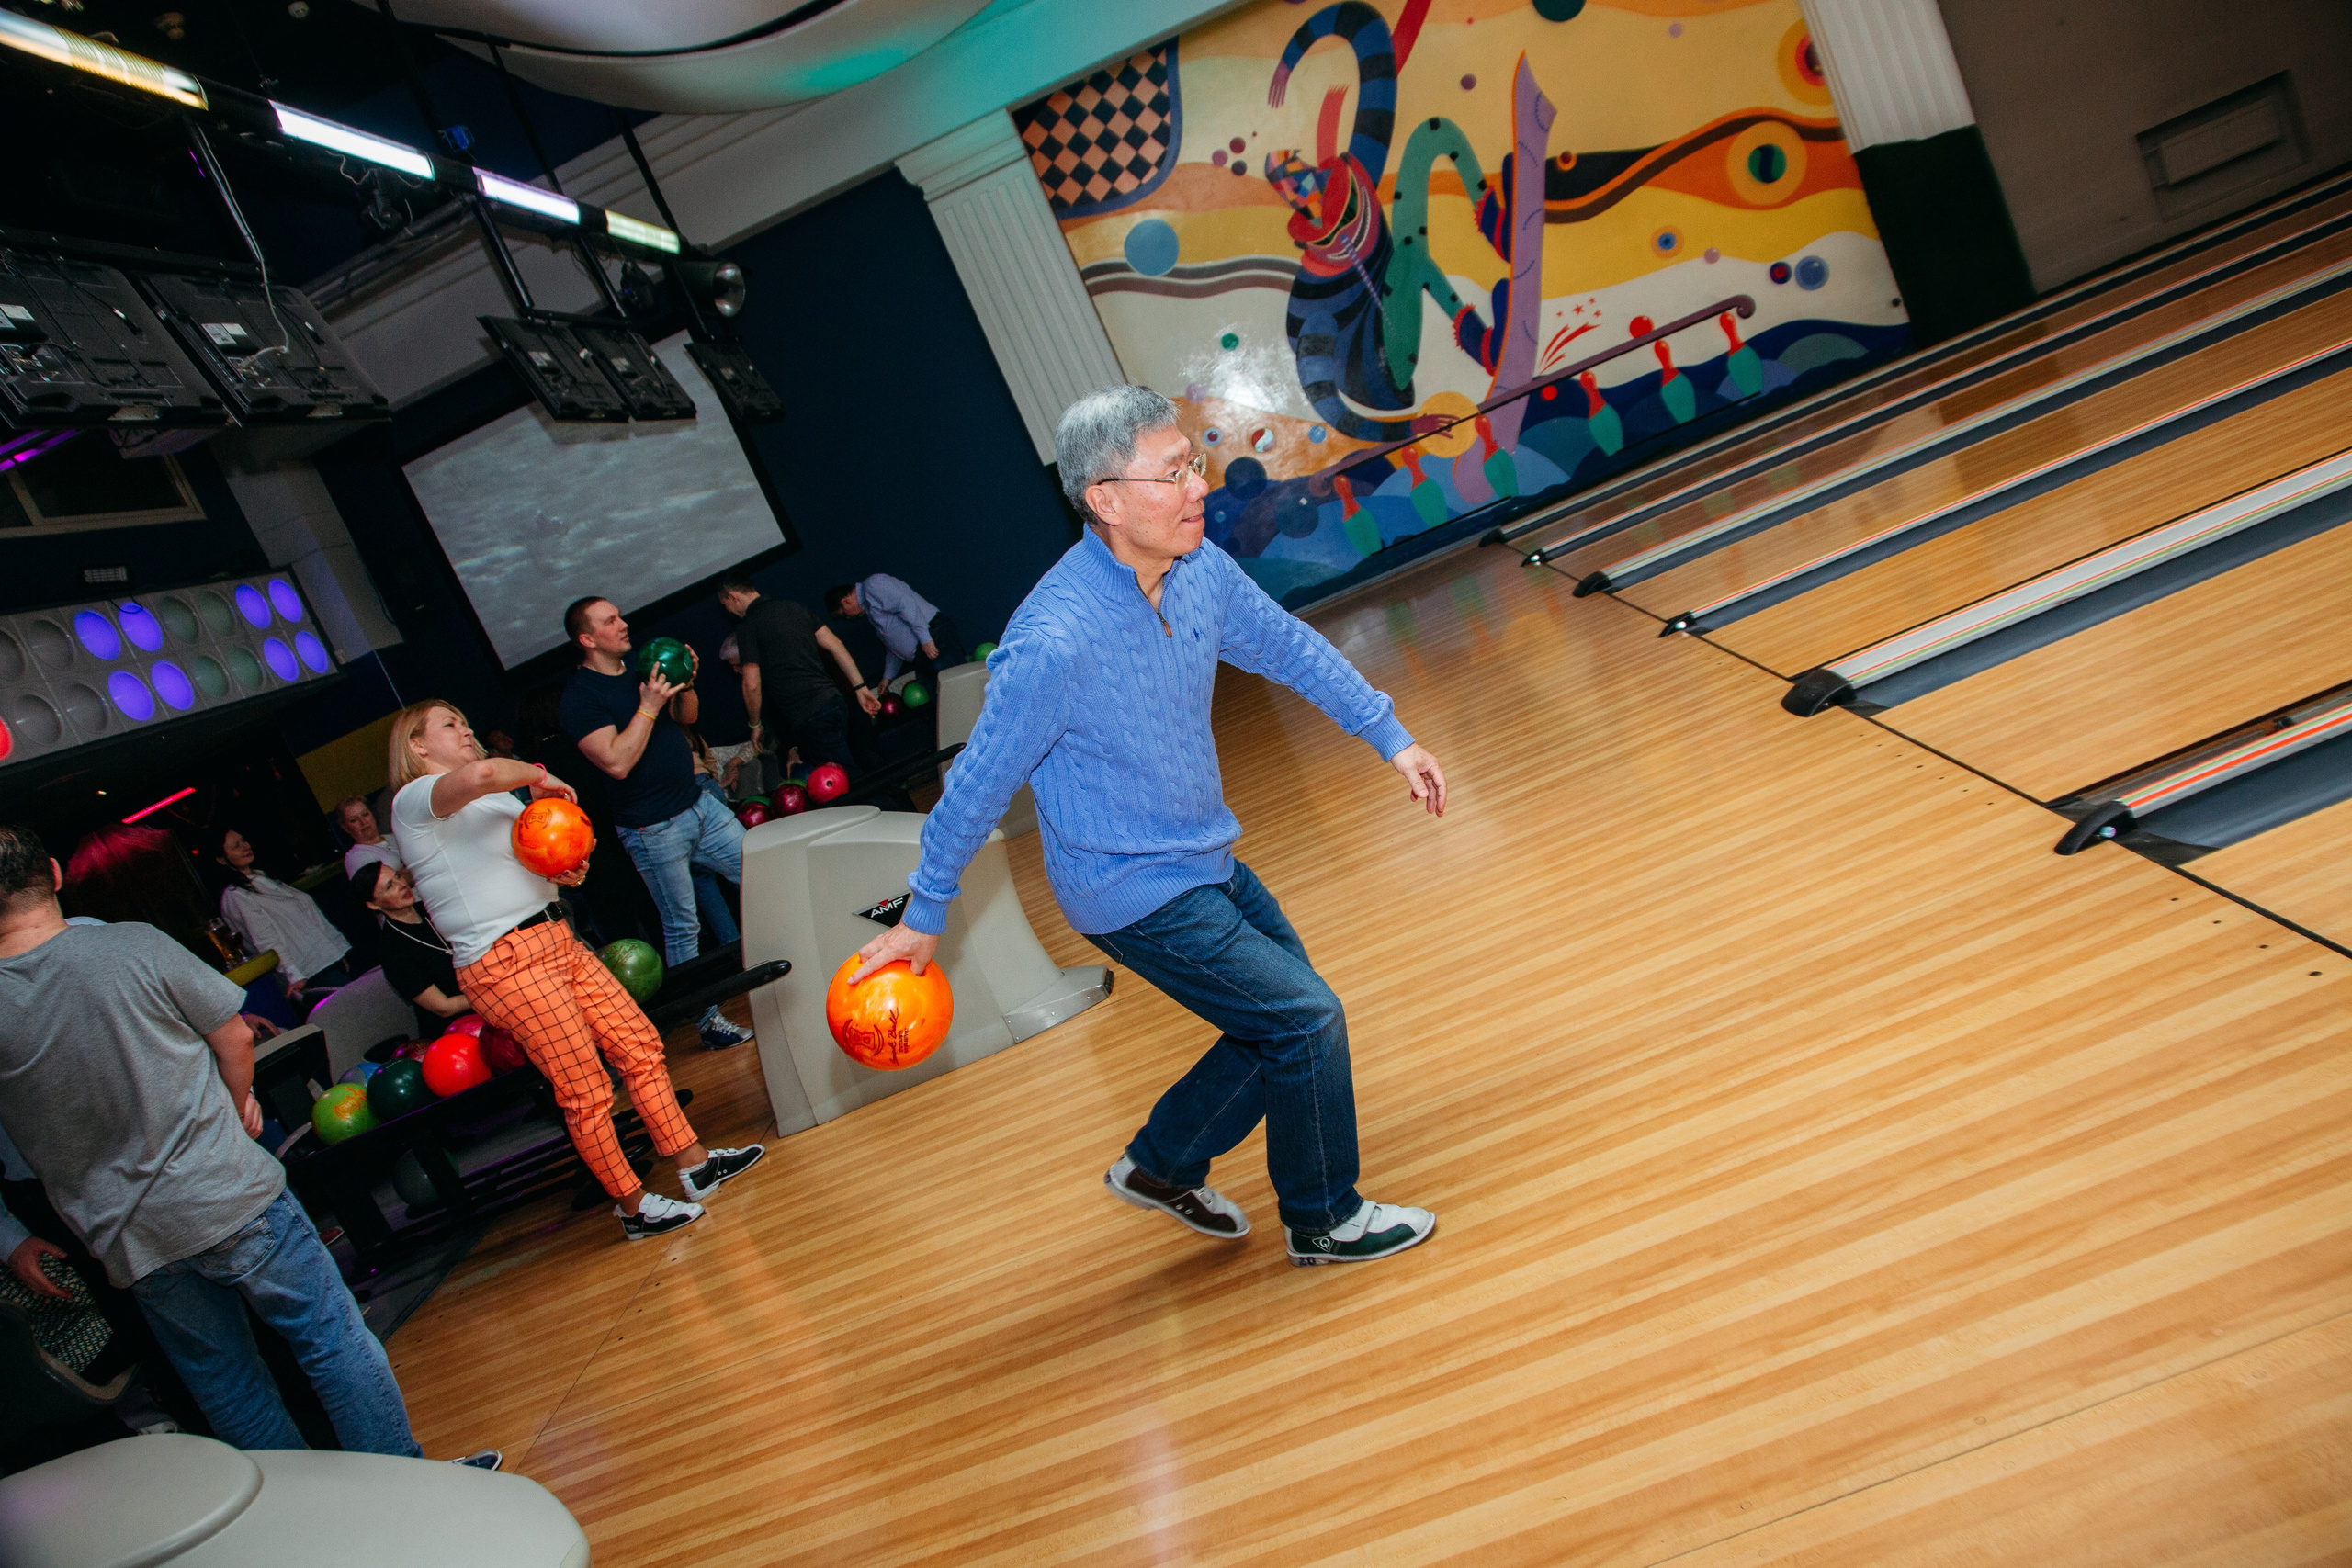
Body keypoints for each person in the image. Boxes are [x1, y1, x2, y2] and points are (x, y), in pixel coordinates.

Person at [852, 386, 1449, 1268]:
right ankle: (1324, 1216)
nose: (1195, 486)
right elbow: (975, 782)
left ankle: (1162, 1163)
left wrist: (1388, 734)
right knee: (1304, 1019)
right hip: (1127, 887)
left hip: (1202, 851)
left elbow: (1286, 646)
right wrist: (924, 912)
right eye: (1171, 474)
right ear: (1104, 499)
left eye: (1193, 464)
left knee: (1283, 1019)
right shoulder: (1052, 640)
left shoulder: (1197, 566)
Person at [0, 823, 493, 1463]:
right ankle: (408, 1488)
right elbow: (233, 1036)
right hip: (225, 1193)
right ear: (57, 874)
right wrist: (236, 1106)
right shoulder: (128, 947)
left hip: (129, 1237)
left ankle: (300, 1533)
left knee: (230, 1385)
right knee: (331, 1340)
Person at [384, 700, 764, 1242]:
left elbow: (530, 863)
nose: (466, 730)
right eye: (451, 725)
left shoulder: (492, 806)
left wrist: (566, 868)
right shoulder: (415, 801)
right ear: (417, 746)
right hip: (506, 963)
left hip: (556, 938)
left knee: (641, 1047)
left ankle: (695, 1163)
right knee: (585, 1088)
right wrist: (542, 776)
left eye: (467, 722)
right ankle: (632, 1206)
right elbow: (486, 770)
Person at [556, 597, 754, 1052]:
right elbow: (617, 762)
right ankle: (707, 1021)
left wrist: (684, 685)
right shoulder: (580, 699)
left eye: (620, 615)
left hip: (699, 805)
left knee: (762, 876)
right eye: (610, 621)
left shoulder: (640, 668)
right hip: (653, 829)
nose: (623, 624)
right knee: (683, 926)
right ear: (587, 639)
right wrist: (647, 704)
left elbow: (688, 718)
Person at [716, 577, 879, 779]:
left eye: (726, 605)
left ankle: (886, 807)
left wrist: (755, 724)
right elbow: (836, 645)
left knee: (844, 780)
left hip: (809, 714)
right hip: (834, 701)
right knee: (865, 764)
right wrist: (861, 687)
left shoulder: (748, 627)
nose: (729, 611)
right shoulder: (792, 607)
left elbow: (751, 684)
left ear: (733, 597)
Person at [207, 829, 353, 999]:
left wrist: (333, 949)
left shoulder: (262, 877)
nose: (245, 846)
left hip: (325, 961)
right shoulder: (237, 895)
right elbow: (266, 939)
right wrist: (293, 975)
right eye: (236, 846)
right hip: (309, 972)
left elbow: (308, 915)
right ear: (221, 859)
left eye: (244, 841)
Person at [352, 861, 469, 1034]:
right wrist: (486, 995)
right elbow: (443, 1007)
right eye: (390, 886)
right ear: (374, 905)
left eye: (397, 876)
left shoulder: (431, 908)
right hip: (453, 1029)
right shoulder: (391, 950)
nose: (402, 885)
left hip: (482, 1002)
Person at [826, 575, 966, 686]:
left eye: (845, 615)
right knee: (940, 694)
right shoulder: (870, 610)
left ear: (845, 602)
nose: (850, 618)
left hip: (934, 636)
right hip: (922, 652)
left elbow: (906, 604)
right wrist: (888, 677)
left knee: (953, 684)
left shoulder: (873, 586)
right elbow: (893, 645)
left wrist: (926, 639)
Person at [336, 795, 401, 879]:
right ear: (345, 827)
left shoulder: (394, 836)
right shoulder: (355, 857)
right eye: (354, 820)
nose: (363, 822)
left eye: (365, 814)